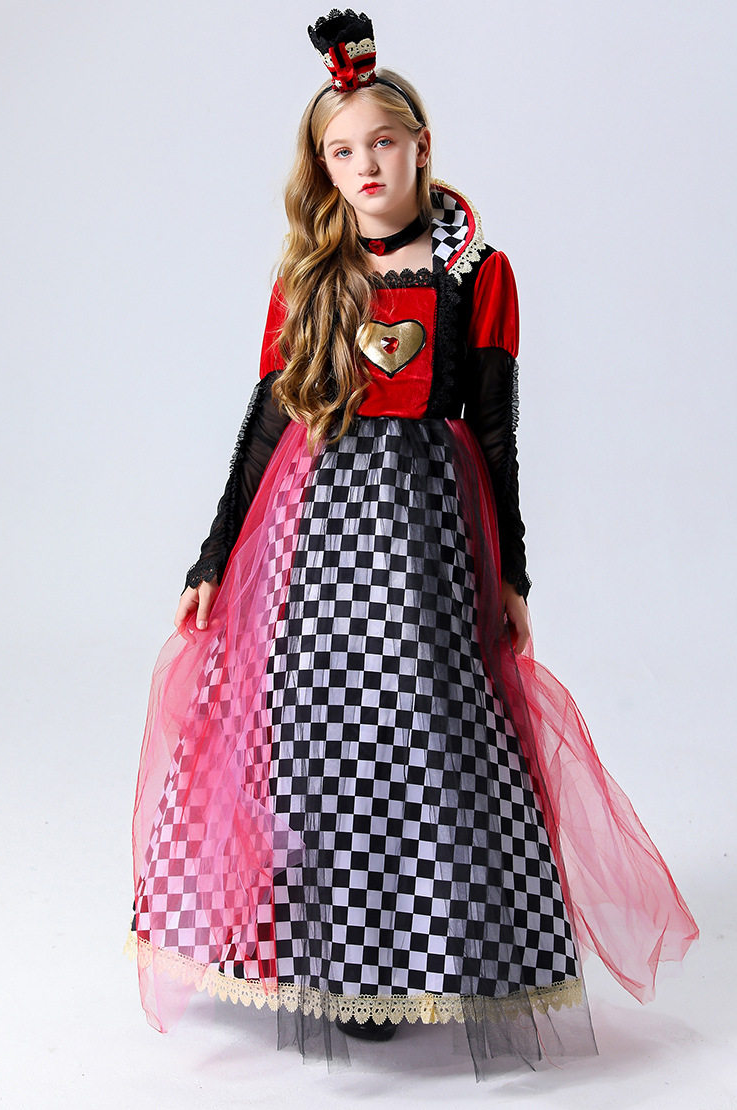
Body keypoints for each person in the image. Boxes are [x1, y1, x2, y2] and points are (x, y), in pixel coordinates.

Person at [128, 8, 698, 1082]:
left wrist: (511, 570)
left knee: (423, 719)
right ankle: (329, 953)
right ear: (321, 167)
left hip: (428, 532)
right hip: (322, 531)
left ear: (420, 145)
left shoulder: (476, 270)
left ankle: (424, 951)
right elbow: (266, 423)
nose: (364, 166)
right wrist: (213, 557)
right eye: (340, 152)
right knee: (323, 721)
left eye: (381, 143)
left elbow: (495, 427)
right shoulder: (312, 276)